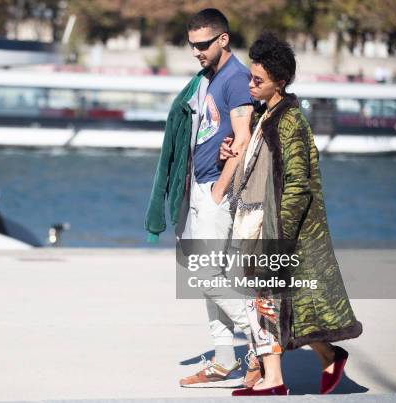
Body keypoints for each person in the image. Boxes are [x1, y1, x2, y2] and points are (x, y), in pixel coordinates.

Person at [218, 32, 362, 396]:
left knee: (264, 299)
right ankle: (312, 361)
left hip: (271, 225)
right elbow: (258, 165)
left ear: (279, 82)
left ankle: (277, 378)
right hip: (253, 217)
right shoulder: (267, 114)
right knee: (262, 300)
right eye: (251, 77)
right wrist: (231, 153)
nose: (250, 84)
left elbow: (298, 182)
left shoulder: (290, 121)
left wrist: (278, 238)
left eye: (258, 80)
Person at [145, 8, 260, 388]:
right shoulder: (206, 78)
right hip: (195, 186)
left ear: (223, 39)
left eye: (204, 44)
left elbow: (242, 139)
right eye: (192, 45)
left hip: (214, 190)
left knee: (206, 274)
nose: (196, 51)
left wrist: (219, 189)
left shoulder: (236, 79)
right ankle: (224, 359)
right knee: (208, 274)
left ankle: (264, 338)